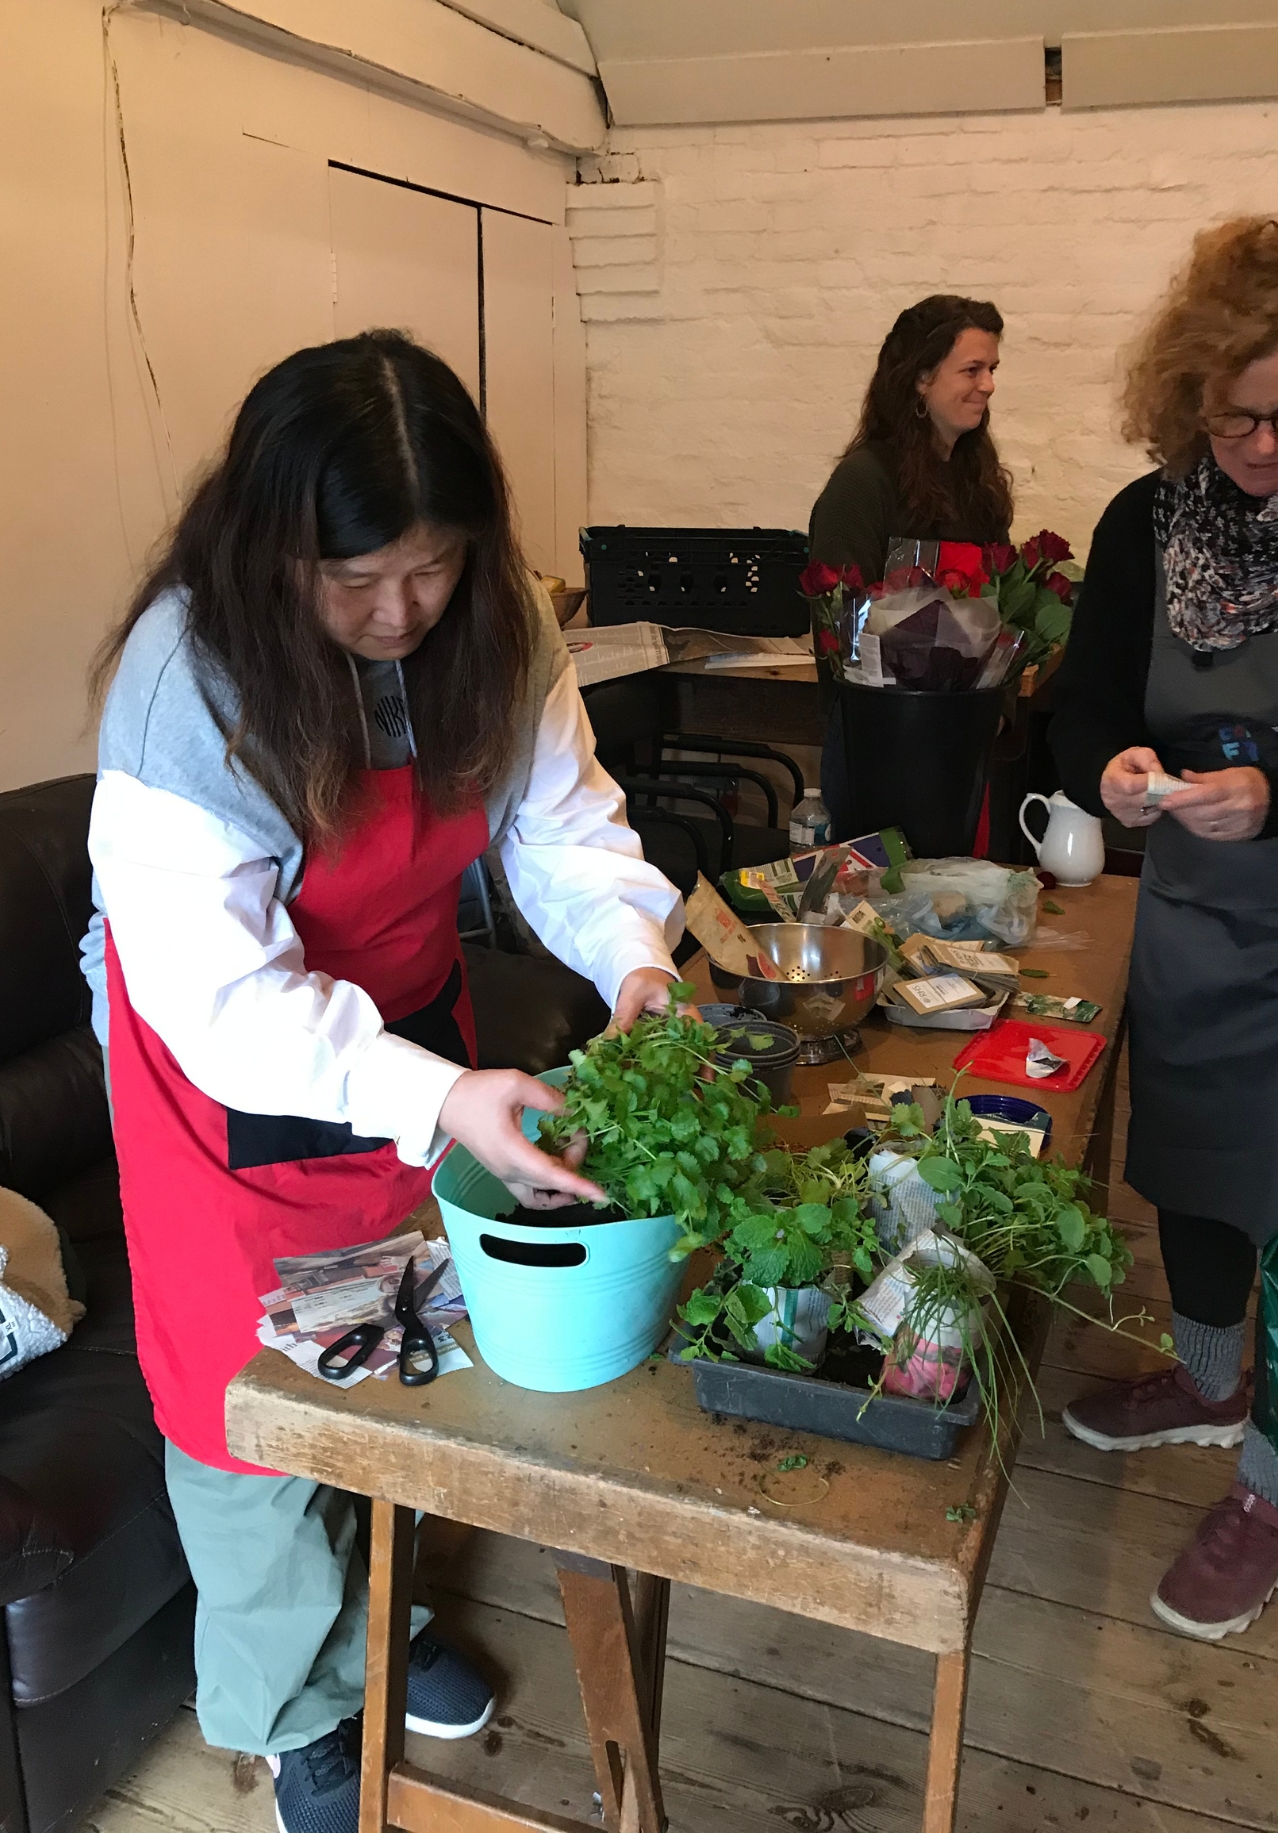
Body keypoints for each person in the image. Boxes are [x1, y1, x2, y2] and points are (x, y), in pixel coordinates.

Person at [82, 331, 685, 1833]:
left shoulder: (490, 627)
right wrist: (439, 1095)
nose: (397, 613)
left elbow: (558, 828)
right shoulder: (191, 674)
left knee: (404, 1354)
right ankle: (298, 1722)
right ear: (270, 546)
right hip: (230, 1081)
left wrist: (638, 964)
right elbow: (217, 993)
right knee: (253, 1425)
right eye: (354, 582)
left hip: (415, 1033)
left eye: (429, 570)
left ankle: (379, 1616)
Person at [1051, 217, 1278, 1643]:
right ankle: (1208, 1381)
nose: (1264, 442)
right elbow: (1082, 703)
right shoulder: (1146, 523)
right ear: (1190, 395)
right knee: (1193, 1168)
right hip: (1197, 910)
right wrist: (1112, 774)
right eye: (1239, 413)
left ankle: (1268, 1487)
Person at [808, 293, 1014, 586]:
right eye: (972, 370)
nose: (988, 385)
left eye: (991, 369)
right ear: (921, 378)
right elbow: (838, 617)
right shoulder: (862, 483)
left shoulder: (977, 481)